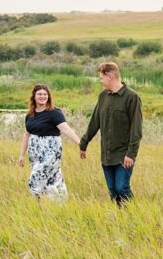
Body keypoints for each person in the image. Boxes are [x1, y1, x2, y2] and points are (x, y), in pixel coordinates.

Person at [79, 61, 143, 206]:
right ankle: (120, 218)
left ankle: (134, 214)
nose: (100, 81)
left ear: (110, 76)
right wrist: (84, 143)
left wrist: (131, 154)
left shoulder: (132, 97)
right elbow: (95, 121)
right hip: (106, 154)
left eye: (101, 77)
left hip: (123, 154)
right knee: (113, 190)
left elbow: (136, 129)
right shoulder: (103, 96)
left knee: (122, 188)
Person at [18, 83, 79, 200]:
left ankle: (39, 201)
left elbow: (65, 129)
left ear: (49, 97)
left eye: (45, 94)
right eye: (39, 94)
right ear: (34, 97)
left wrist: (80, 143)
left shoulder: (55, 113)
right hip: (35, 152)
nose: (42, 96)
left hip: (51, 151)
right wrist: (21, 155)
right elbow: (26, 135)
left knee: (35, 179)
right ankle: (59, 203)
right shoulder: (30, 115)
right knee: (53, 178)